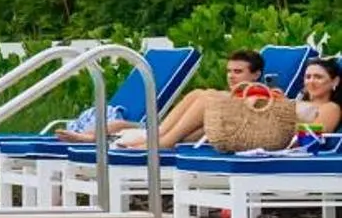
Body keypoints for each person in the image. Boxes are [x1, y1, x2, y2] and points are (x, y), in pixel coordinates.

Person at [88, 48, 263, 147]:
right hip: (197, 134)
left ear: (256, 74)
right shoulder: (232, 95)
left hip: (229, 135)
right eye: (229, 71)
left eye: (238, 72)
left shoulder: (262, 94)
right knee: (199, 93)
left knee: (206, 96)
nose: (231, 76)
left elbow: (258, 112)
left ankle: (162, 141)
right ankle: (159, 136)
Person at [295, 58, 341, 139]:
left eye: (318, 77)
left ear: (335, 81)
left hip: (296, 150)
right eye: (308, 77)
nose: (311, 81)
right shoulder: (297, 101)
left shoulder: (331, 108)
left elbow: (309, 138)